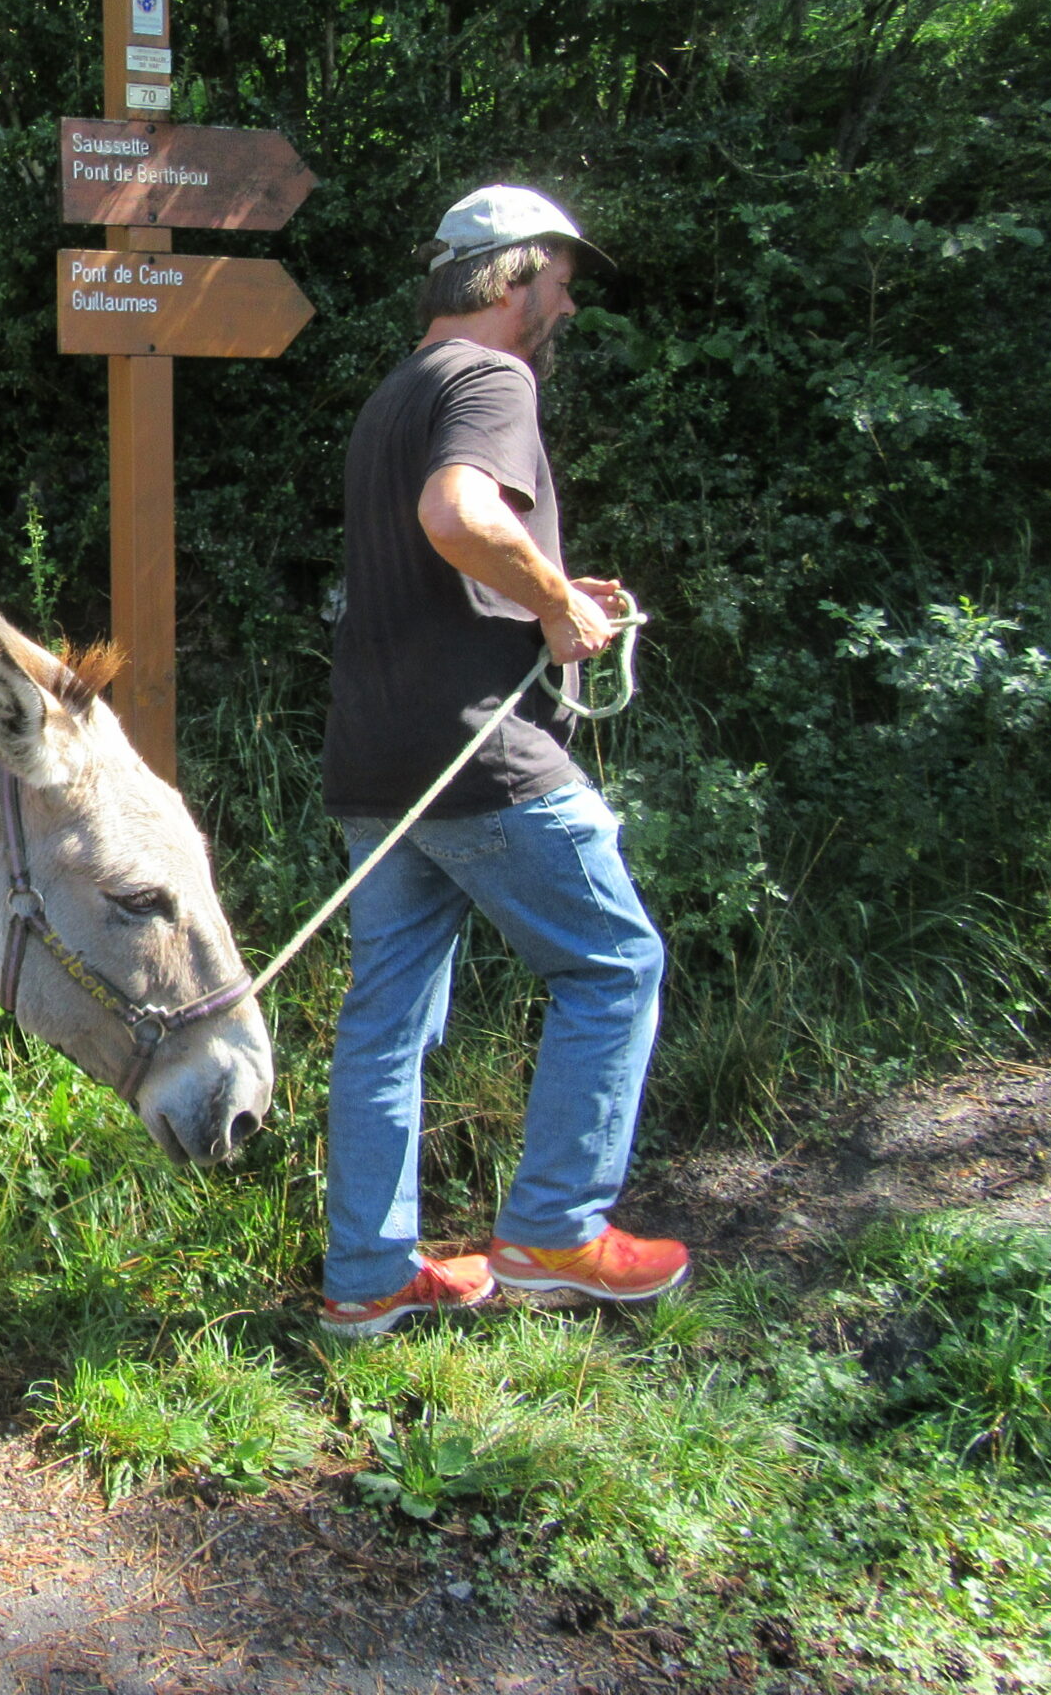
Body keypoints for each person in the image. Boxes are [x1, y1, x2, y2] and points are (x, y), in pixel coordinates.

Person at [316, 184, 687, 1339]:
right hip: (480, 756)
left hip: (375, 763)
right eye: (561, 282)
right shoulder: (492, 379)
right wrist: (560, 612)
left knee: (386, 1024)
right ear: (512, 275)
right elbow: (456, 515)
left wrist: (555, 594)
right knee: (615, 965)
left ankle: (369, 1276)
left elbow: (450, 556)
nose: (566, 306)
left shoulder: (394, 394)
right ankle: (555, 1232)